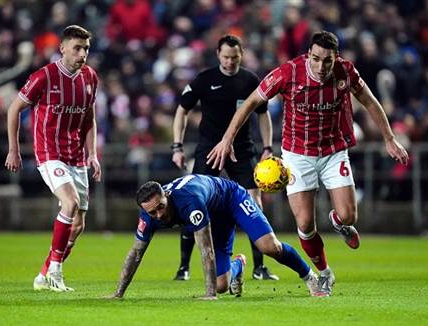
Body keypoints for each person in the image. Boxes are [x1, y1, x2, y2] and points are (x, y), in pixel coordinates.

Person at [206, 31, 409, 296]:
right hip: (297, 156)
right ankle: (324, 274)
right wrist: (227, 139)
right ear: (308, 55)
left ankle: (338, 222)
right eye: (316, 59)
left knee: (349, 215)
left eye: (327, 60)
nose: (321, 66)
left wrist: (390, 139)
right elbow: (252, 102)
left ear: (336, 57)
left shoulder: (345, 71)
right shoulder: (288, 73)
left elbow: (369, 101)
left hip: (333, 151)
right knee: (304, 224)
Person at [111, 174, 324, 299]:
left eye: (161, 208)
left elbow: (206, 249)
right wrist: (118, 294)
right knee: (222, 285)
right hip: (213, 213)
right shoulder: (148, 217)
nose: (159, 215)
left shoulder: (189, 202)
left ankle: (310, 277)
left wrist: (209, 295)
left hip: (232, 198)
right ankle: (238, 264)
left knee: (269, 247)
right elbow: (136, 252)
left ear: (166, 196)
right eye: (152, 212)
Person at [171, 34, 277, 281]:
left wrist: (268, 147)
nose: (230, 62)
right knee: (193, 203)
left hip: (241, 149)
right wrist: (177, 146)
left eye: (235, 57)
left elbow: (263, 114)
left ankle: (259, 267)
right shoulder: (204, 80)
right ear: (218, 54)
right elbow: (181, 111)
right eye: (226, 57)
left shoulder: (250, 80)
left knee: (254, 203)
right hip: (209, 149)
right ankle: (183, 267)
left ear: (242, 54)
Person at [5, 25, 102, 292]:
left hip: (77, 156)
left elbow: (89, 119)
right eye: (77, 48)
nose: (82, 54)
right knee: (69, 203)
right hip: (50, 153)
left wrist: (93, 154)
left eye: (86, 49)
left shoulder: (90, 77)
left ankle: (43, 273)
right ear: (62, 49)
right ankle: (56, 273)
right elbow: (14, 108)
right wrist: (13, 149)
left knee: (79, 225)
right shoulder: (44, 77)